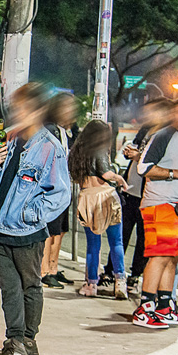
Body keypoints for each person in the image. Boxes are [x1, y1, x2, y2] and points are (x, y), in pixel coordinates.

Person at [0, 83, 71, 355]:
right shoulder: (12, 138)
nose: (17, 111)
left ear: (38, 110)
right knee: (9, 289)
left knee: (30, 286)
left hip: (26, 231)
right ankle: (16, 341)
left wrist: (31, 213)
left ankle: (25, 341)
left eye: (22, 107)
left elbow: (61, 193)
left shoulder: (49, 148)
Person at [133, 96, 178, 329]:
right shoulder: (164, 135)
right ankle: (145, 308)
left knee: (173, 257)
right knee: (159, 255)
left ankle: (164, 307)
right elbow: (144, 167)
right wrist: (177, 173)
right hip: (159, 203)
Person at [112, 99, 171, 293]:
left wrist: (140, 156)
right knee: (121, 234)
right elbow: (136, 150)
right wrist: (130, 152)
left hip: (148, 193)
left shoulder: (166, 135)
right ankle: (112, 271)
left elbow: (157, 162)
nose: (148, 115)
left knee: (143, 239)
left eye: (152, 111)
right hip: (132, 188)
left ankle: (135, 276)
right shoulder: (146, 129)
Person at [68, 120, 130, 299]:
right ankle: (120, 281)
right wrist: (120, 179)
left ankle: (91, 285)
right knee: (116, 242)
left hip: (87, 197)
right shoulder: (99, 150)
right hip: (105, 197)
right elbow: (106, 173)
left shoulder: (77, 153)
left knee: (92, 245)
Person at [40, 93, 78, 289]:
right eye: (66, 107)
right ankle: (44, 270)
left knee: (60, 231)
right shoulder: (50, 130)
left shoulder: (65, 131)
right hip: (52, 189)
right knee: (49, 231)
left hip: (63, 187)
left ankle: (53, 268)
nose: (71, 111)